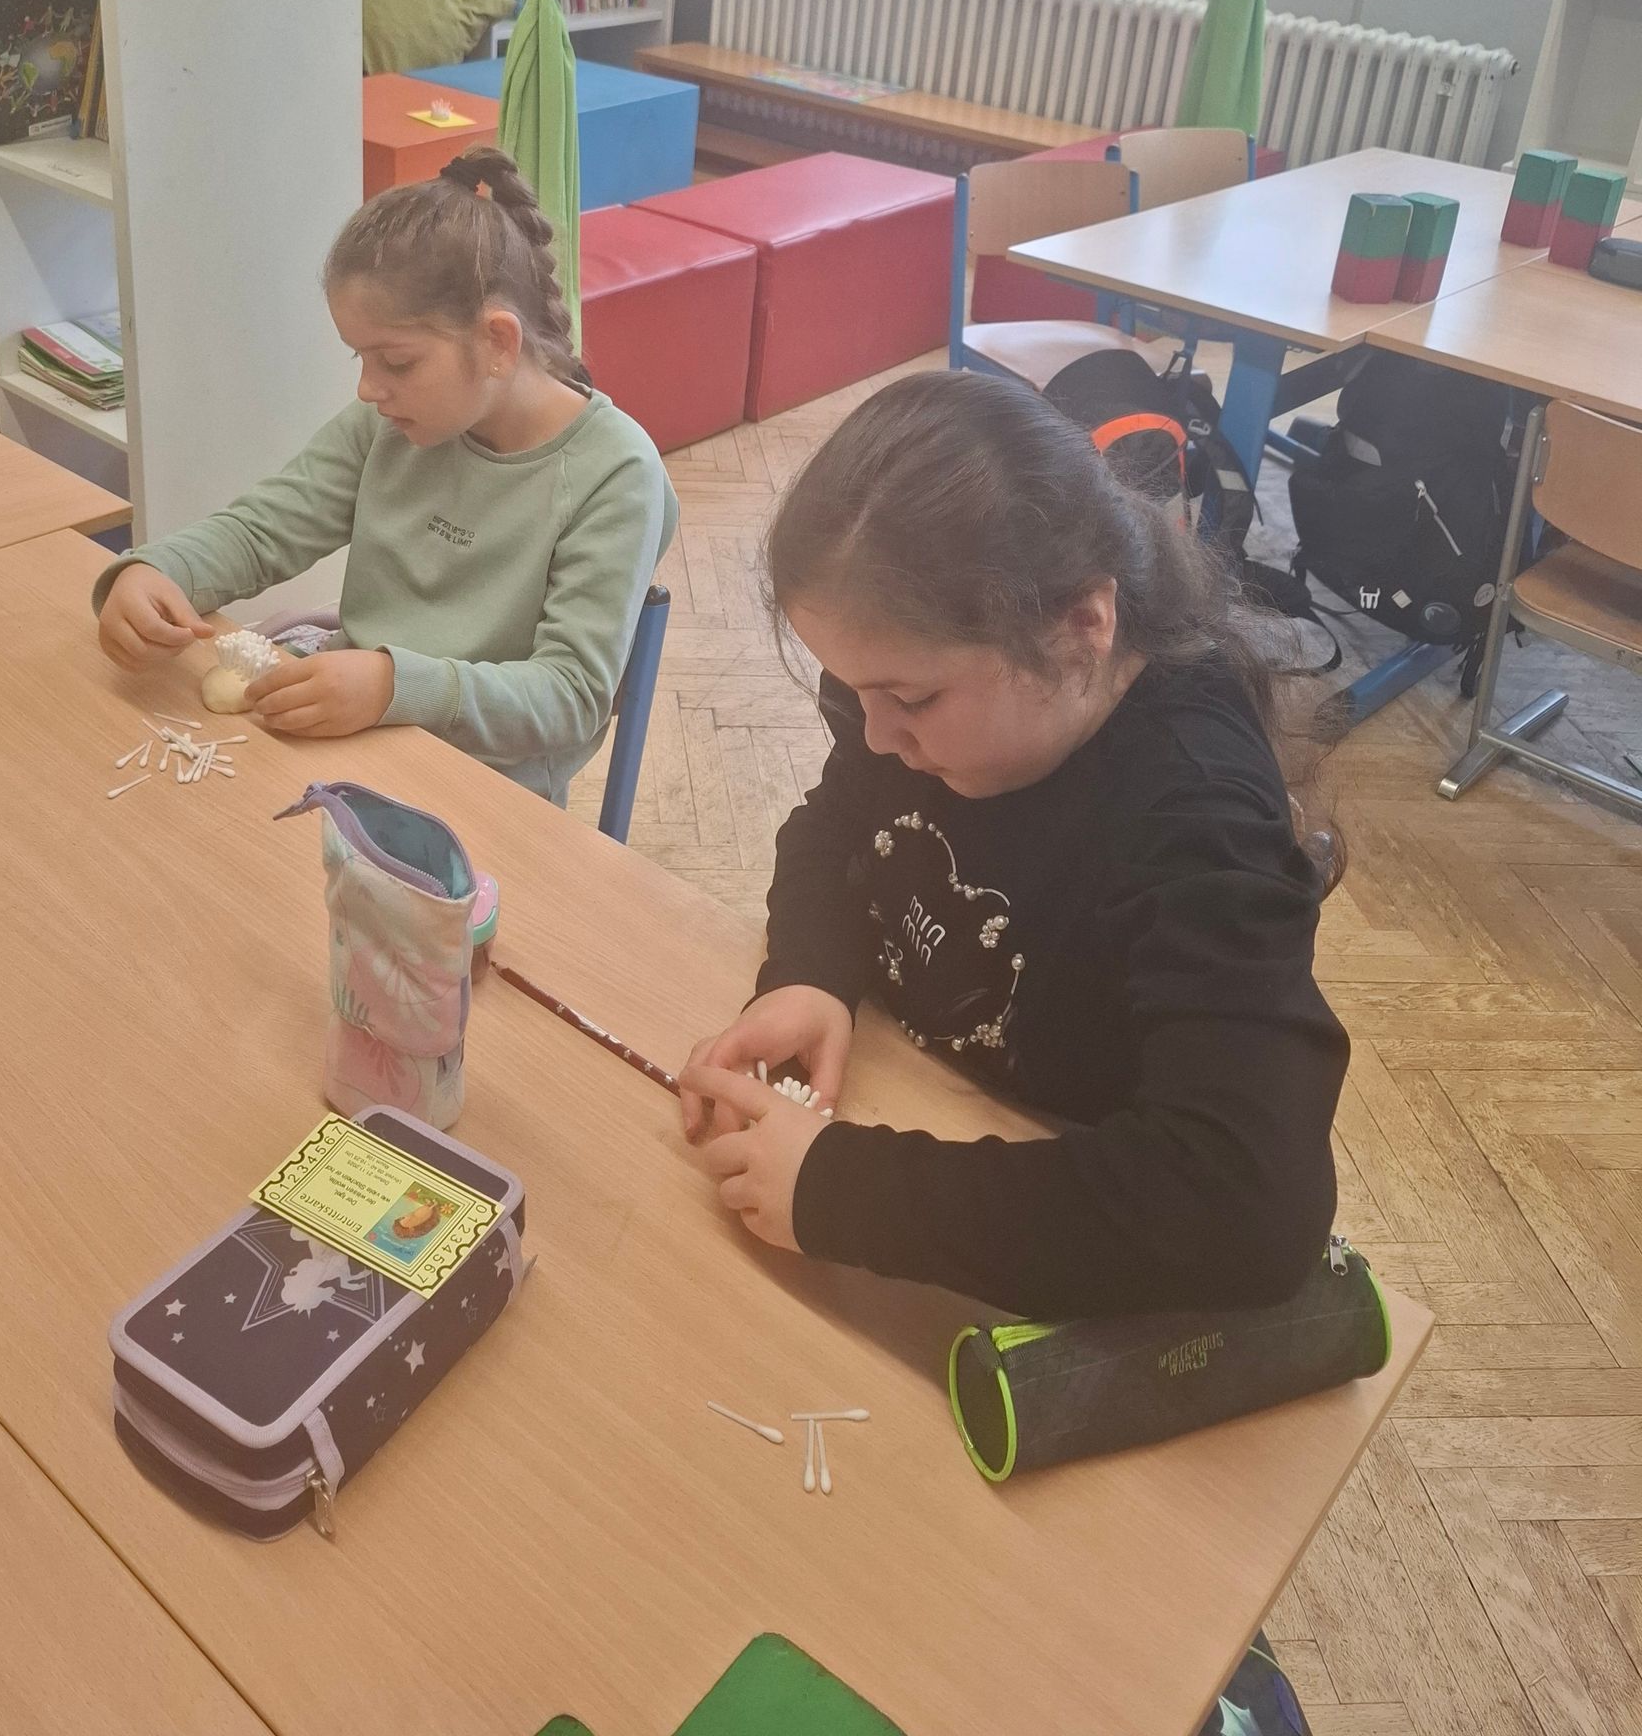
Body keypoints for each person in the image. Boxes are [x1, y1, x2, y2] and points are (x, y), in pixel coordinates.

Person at [678, 366, 1348, 1322]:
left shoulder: (1196, 815)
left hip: (1064, 1230)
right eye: (853, 691)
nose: (876, 736)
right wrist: (810, 973)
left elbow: (1247, 1207)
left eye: (911, 700)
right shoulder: (907, 697)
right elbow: (835, 828)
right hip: (922, 1103)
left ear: (1082, 628)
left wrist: (848, 1193)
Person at [94, 148, 677, 806]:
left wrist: (392, 687)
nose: (369, 389)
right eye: (361, 359)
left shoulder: (614, 474)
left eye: (396, 362)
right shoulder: (391, 423)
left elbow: (569, 696)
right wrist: (160, 571)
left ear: (497, 342)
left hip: (486, 792)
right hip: (353, 743)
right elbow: (264, 530)